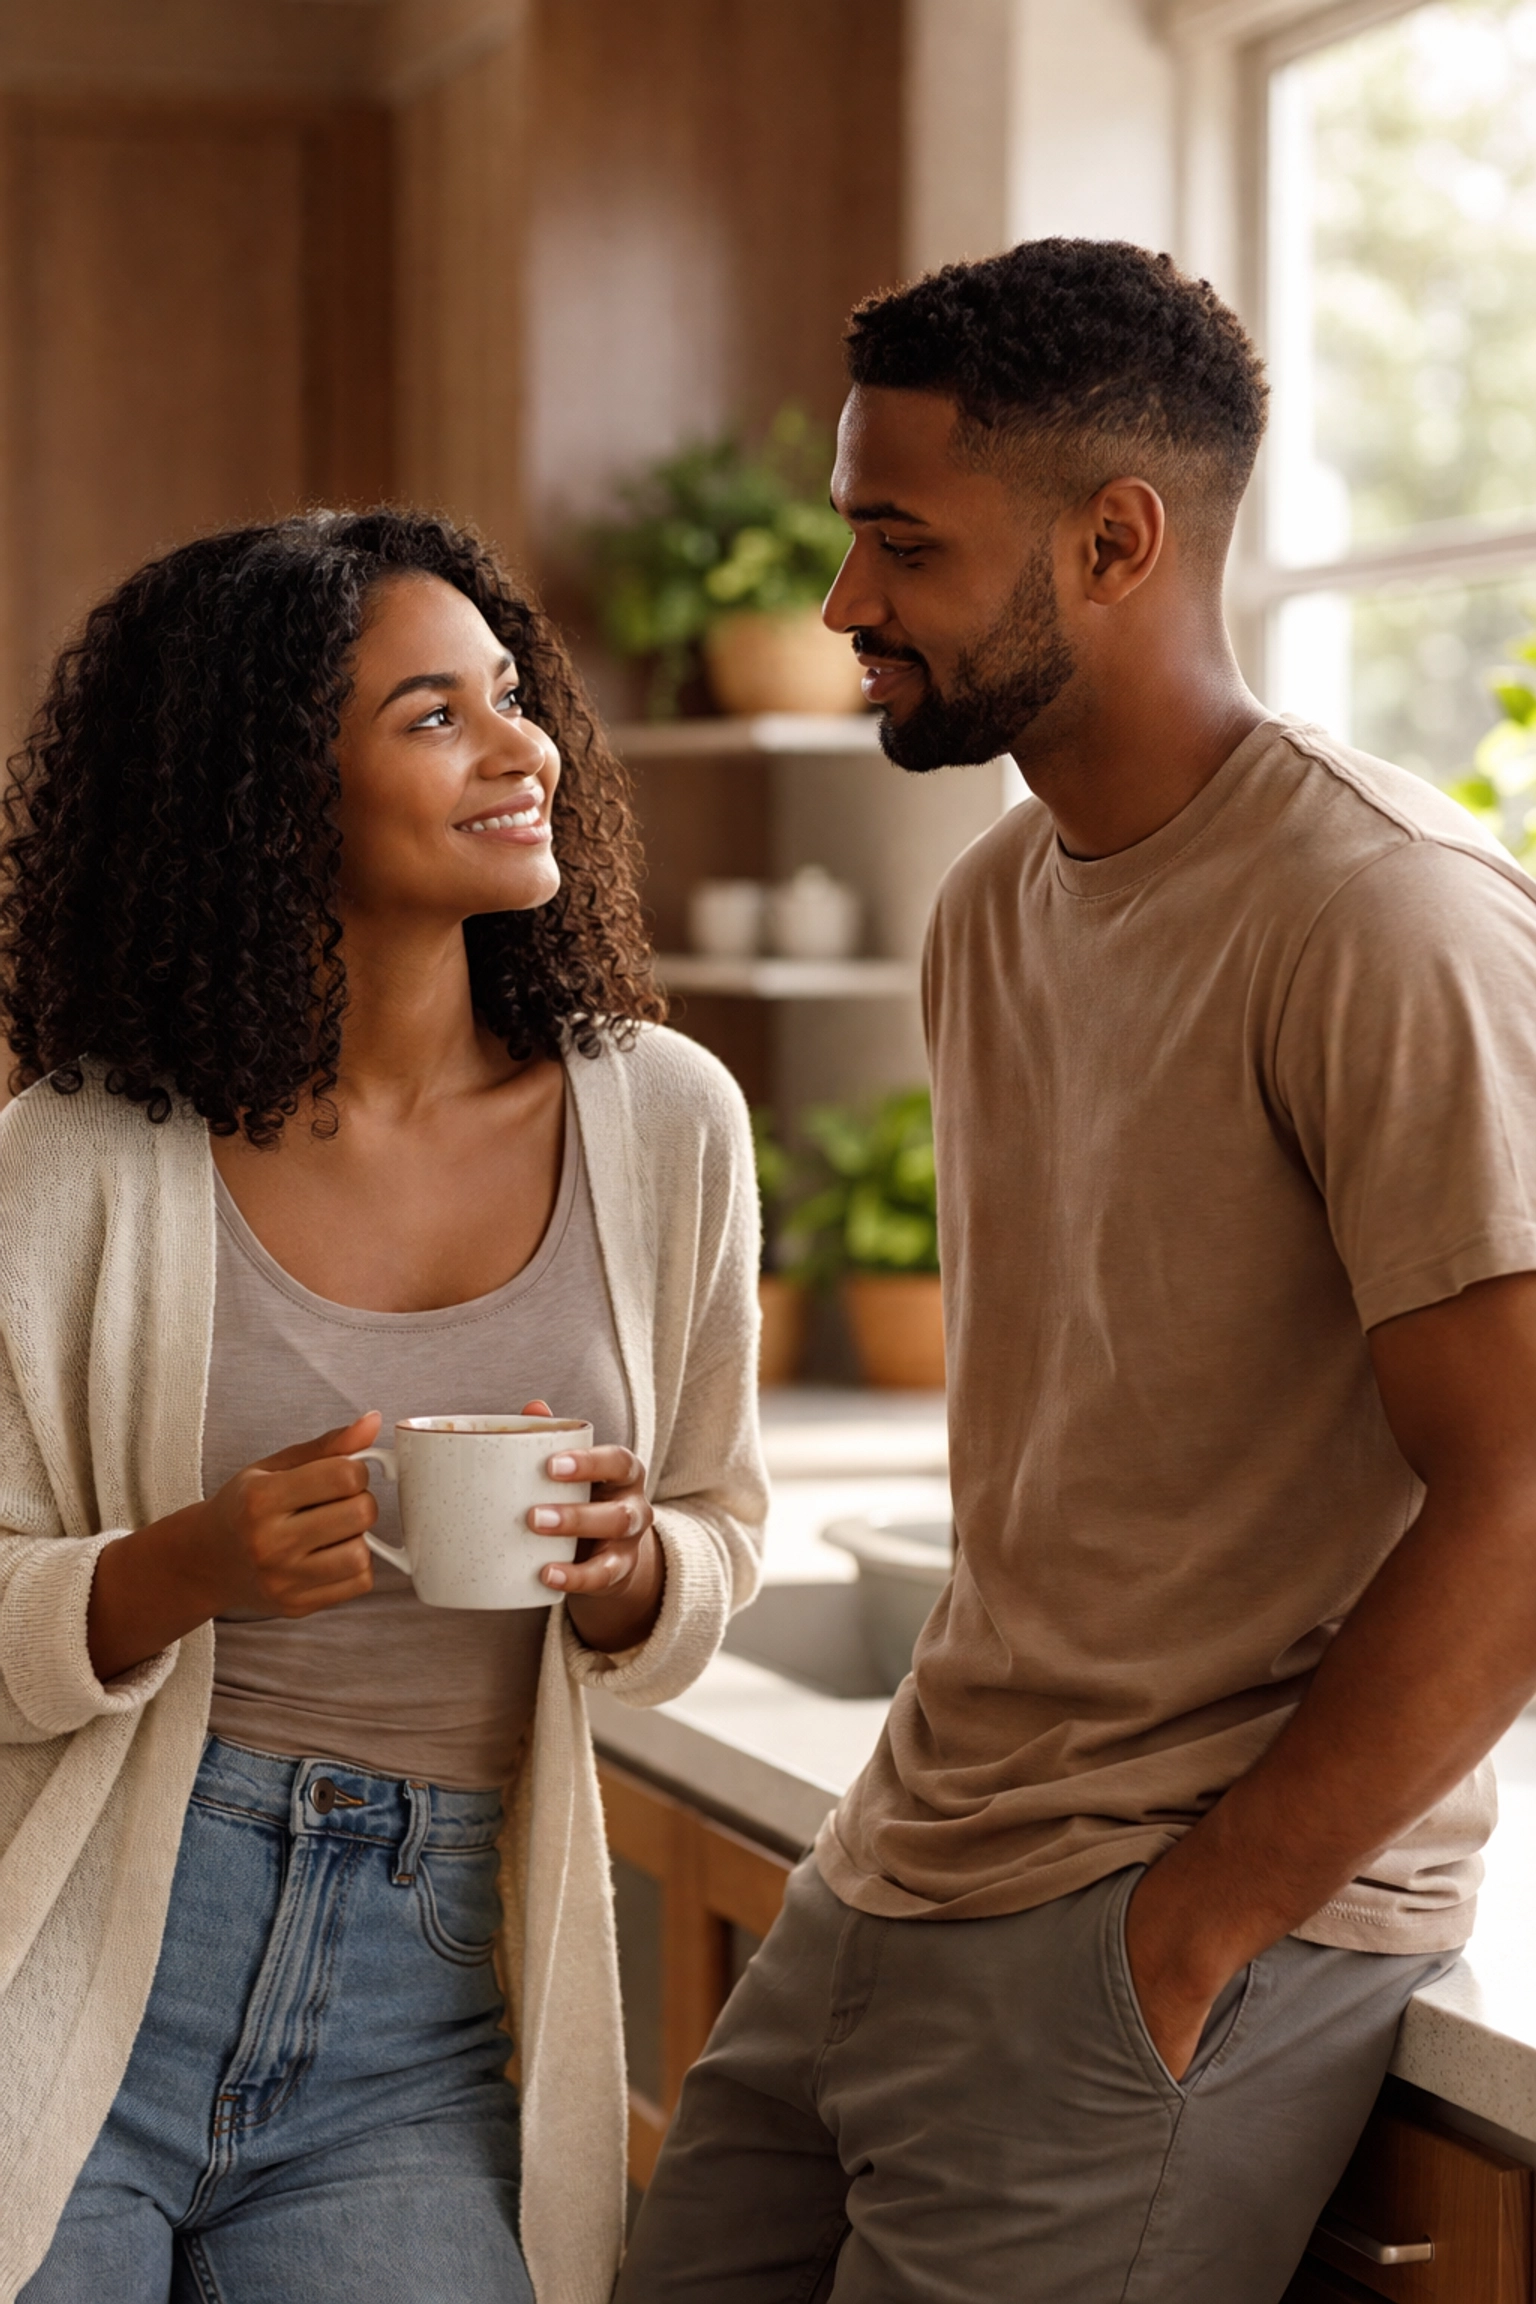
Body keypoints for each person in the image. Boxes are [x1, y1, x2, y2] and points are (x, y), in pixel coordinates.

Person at [616, 239, 1536, 2304]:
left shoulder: (1385, 916)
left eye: (896, 546)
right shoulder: (993, 908)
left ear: (1116, 541)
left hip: (1159, 1927)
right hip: (908, 1859)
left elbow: (1525, 1496)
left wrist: (1196, 1933)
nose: (844, 605)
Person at [0, 509, 765, 2304]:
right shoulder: (73, 1166)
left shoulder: (668, 1125)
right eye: (434, 718)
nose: (524, 751)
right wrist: (185, 1566)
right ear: (270, 794)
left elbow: (720, 1525)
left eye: (514, 696)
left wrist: (635, 1569)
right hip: (85, 1935)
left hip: (418, 1999)